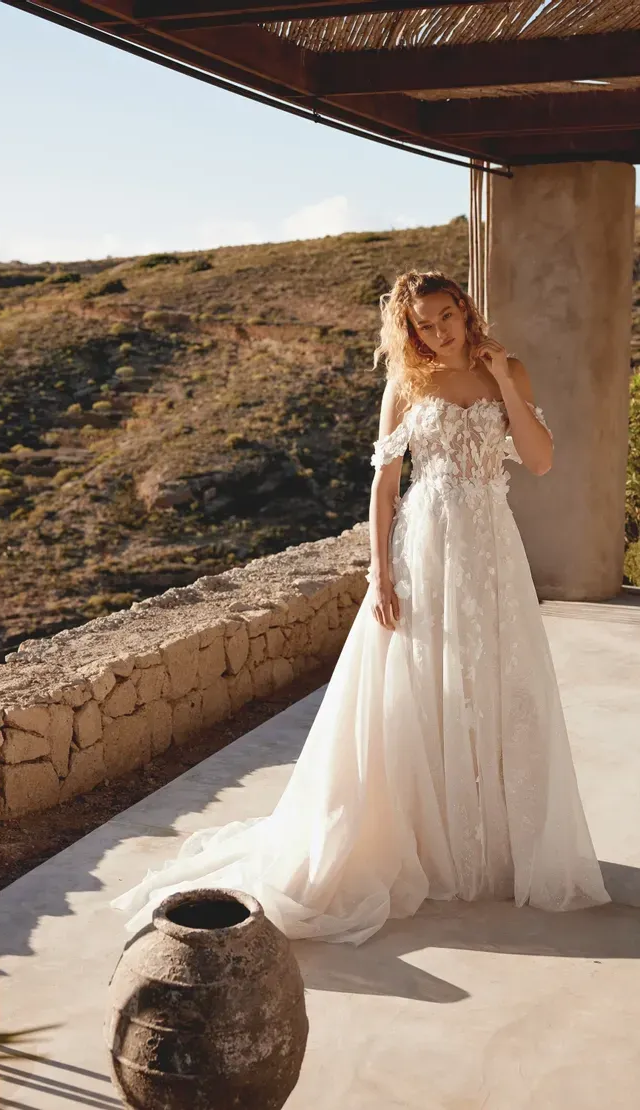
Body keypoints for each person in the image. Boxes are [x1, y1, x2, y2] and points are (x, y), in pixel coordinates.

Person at [112, 270, 610, 946]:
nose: (435, 333)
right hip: (425, 545)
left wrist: (500, 378)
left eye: (444, 318)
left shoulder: (508, 371)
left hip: (492, 550)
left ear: (465, 312)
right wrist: (381, 575)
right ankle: (430, 842)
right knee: (417, 689)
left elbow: (540, 460)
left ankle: (492, 841)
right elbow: (385, 484)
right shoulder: (406, 383)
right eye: (422, 325)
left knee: (496, 684)